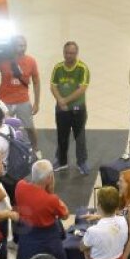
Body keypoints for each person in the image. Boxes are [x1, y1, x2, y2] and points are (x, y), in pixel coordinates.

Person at [15, 160, 70, 259]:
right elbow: (65, 214)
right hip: (47, 240)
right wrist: (51, 192)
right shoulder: (51, 199)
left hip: (27, 239)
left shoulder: (20, 186)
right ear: (49, 178)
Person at [0, 36, 41, 147]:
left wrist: (36, 103)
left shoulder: (31, 61)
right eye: (20, 45)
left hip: (23, 100)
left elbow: (36, 82)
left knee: (29, 127)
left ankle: (35, 149)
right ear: (13, 46)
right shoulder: (3, 60)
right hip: (5, 100)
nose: (23, 48)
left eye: (24, 45)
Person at [50, 41, 90, 175]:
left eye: (72, 53)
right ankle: (62, 161)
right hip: (61, 109)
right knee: (62, 135)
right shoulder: (58, 68)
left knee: (80, 137)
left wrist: (64, 100)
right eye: (67, 53)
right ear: (63, 53)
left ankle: (82, 162)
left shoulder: (82, 68)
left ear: (76, 53)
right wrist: (60, 101)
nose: (69, 55)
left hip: (78, 109)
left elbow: (82, 89)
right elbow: (53, 86)